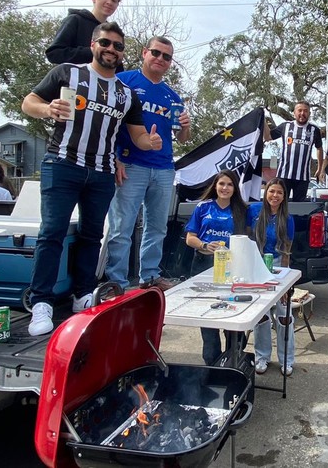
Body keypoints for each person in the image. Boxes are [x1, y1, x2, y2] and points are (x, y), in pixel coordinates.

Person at [21, 22, 162, 336]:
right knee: (52, 233)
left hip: (102, 171)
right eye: (106, 43)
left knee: (92, 235)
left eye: (118, 46)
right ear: (93, 44)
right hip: (63, 163)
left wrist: (150, 143)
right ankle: (41, 301)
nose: (111, 49)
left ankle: (83, 294)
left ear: (123, 53)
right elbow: (28, 102)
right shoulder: (67, 73)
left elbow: (138, 136)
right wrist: (47, 109)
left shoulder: (126, 94)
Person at [104, 36, 192, 290]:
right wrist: (115, 158)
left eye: (167, 56)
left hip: (163, 168)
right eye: (156, 53)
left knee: (157, 227)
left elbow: (182, 138)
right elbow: (107, 122)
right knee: (122, 228)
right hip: (130, 164)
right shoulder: (123, 81)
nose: (160, 59)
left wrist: (186, 126)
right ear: (145, 53)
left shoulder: (172, 96)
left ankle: (150, 276)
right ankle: (117, 282)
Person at [184, 170, 249, 365]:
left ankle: (234, 357)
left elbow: (249, 239)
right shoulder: (203, 207)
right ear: (215, 186)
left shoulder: (241, 209)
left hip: (232, 267)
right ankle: (211, 362)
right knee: (208, 315)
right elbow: (190, 238)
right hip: (203, 264)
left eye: (229, 184)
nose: (225, 188)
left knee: (233, 313)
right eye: (221, 184)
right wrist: (204, 245)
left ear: (235, 188)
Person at [248, 179, 296, 376]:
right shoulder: (254, 211)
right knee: (261, 315)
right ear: (266, 192)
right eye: (272, 191)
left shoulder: (287, 218)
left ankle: (287, 359)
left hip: (277, 266)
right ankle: (262, 356)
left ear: (284, 197)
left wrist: (284, 284)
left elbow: (286, 251)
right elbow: (246, 238)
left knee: (284, 315)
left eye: (279, 193)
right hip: (256, 265)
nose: (275, 196)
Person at [45, 0, 122, 66]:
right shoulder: (75, 20)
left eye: (114, 0)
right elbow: (54, 54)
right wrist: (93, 51)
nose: (109, 2)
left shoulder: (113, 32)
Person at [267, 101, 324, 201]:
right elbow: (268, 137)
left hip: (303, 176)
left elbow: (319, 148)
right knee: (281, 203)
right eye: (299, 110)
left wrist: (319, 169)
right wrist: (262, 121)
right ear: (294, 113)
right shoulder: (285, 126)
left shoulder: (314, 130)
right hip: (284, 174)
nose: (302, 113)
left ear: (309, 113)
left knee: (299, 206)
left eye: (305, 111)